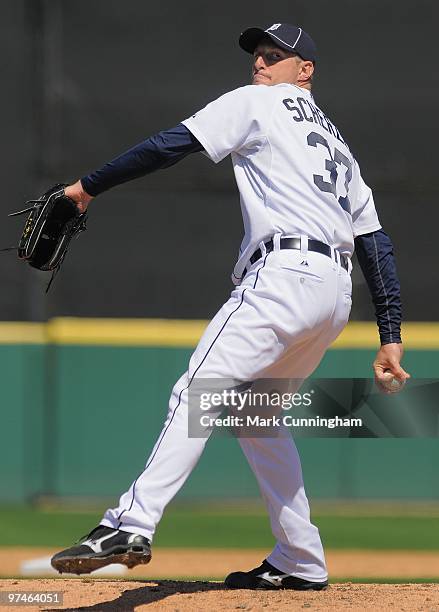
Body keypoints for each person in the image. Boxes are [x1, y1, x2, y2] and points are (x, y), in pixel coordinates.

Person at [50, 23, 410, 590]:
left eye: (275, 55)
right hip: (333, 296)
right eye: (257, 56)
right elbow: (375, 241)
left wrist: (85, 187)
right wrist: (389, 332)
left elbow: (171, 144)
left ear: (305, 70)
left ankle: (128, 523)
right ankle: (300, 559)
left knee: (198, 391)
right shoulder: (338, 144)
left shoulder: (258, 104)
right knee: (253, 415)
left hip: (285, 278)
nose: (260, 64)